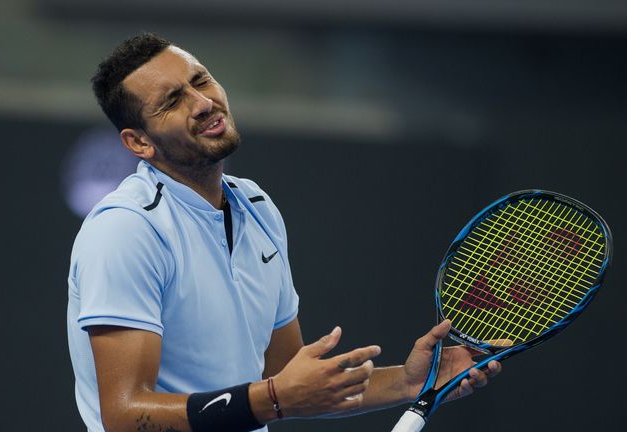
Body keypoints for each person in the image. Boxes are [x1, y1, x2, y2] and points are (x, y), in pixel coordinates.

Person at [66, 33, 502, 432]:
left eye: (202, 80)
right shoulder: (127, 229)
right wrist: (271, 398)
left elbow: (291, 382)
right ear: (139, 143)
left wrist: (409, 382)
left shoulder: (257, 208)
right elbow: (125, 415)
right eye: (172, 101)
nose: (203, 102)